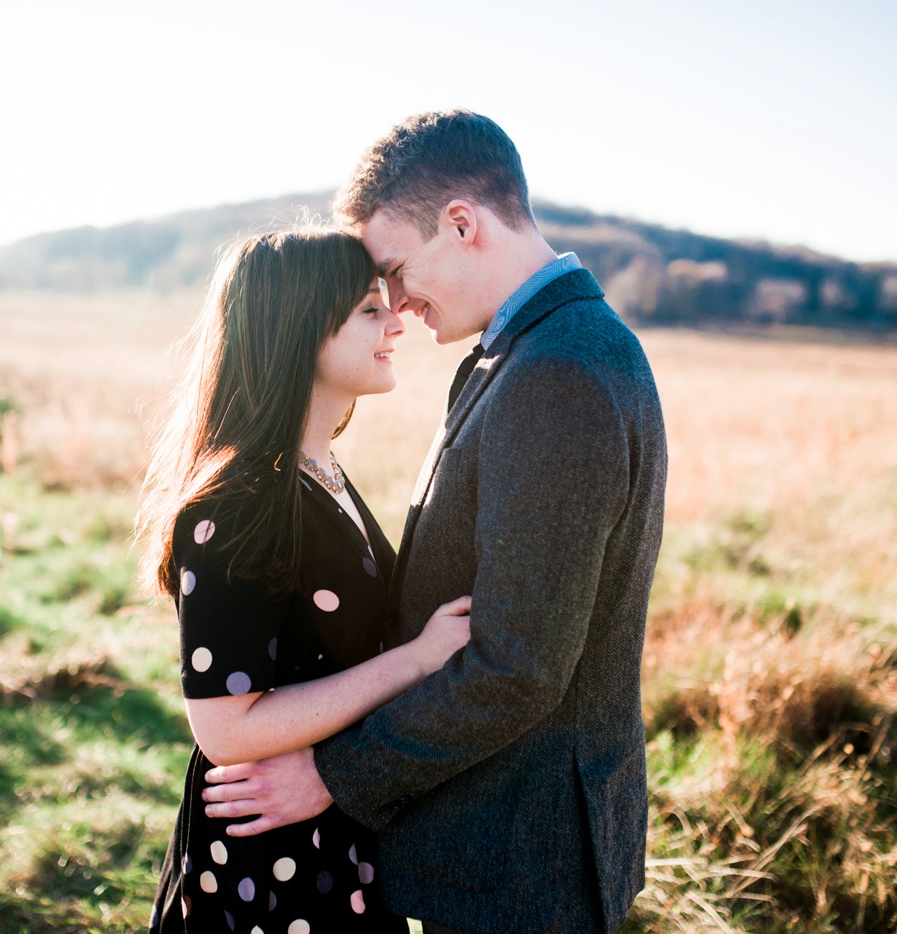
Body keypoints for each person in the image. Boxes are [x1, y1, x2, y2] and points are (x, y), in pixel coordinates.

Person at [199, 111, 668, 933]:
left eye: (395, 270)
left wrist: (335, 775)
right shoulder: (526, 353)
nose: (397, 303)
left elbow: (516, 667)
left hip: (519, 854)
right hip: (498, 842)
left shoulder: (558, 373)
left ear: (462, 224)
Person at [138, 227, 474, 933]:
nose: (397, 323)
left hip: (330, 827)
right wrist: (414, 663)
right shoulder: (237, 503)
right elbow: (225, 728)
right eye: (367, 310)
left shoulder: (319, 473)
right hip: (269, 859)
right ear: (300, 332)